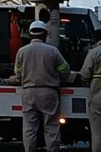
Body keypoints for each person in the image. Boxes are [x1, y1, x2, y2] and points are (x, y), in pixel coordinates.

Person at [12, 20, 71, 152]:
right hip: (49, 92)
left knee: (29, 127)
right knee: (51, 126)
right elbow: (65, 70)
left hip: (28, 92)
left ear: (30, 34)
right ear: (45, 34)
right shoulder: (52, 51)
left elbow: (17, 72)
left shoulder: (22, 51)